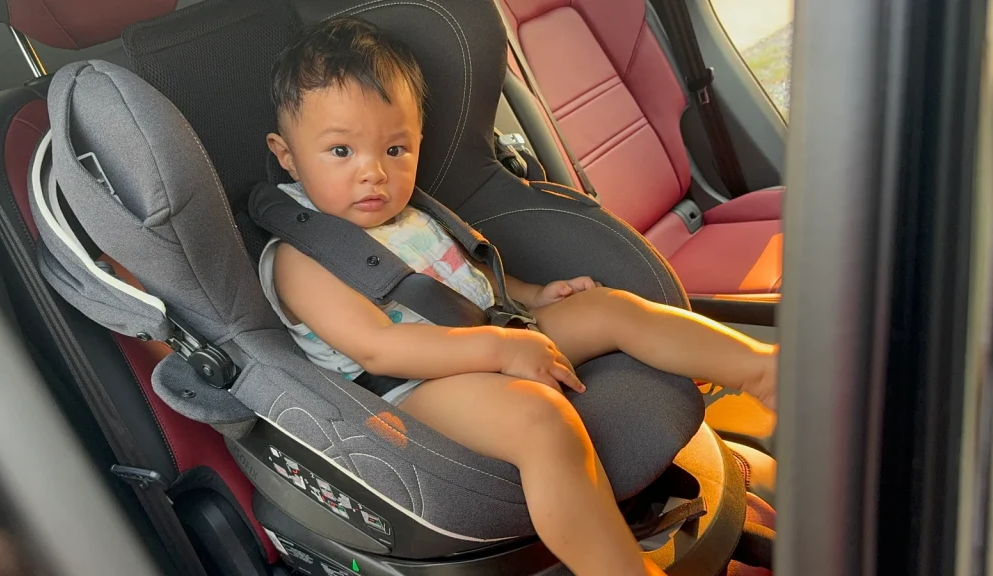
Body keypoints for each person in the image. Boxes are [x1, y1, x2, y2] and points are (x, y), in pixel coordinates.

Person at [259, 17, 777, 576]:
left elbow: (467, 279)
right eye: (341, 151)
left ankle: (761, 371)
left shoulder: (409, 213)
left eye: (395, 148)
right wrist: (500, 352)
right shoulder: (300, 255)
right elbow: (380, 349)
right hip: (412, 391)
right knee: (540, 421)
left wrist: (534, 295)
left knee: (610, 309)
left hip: (495, 335)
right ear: (286, 155)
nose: (374, 173)